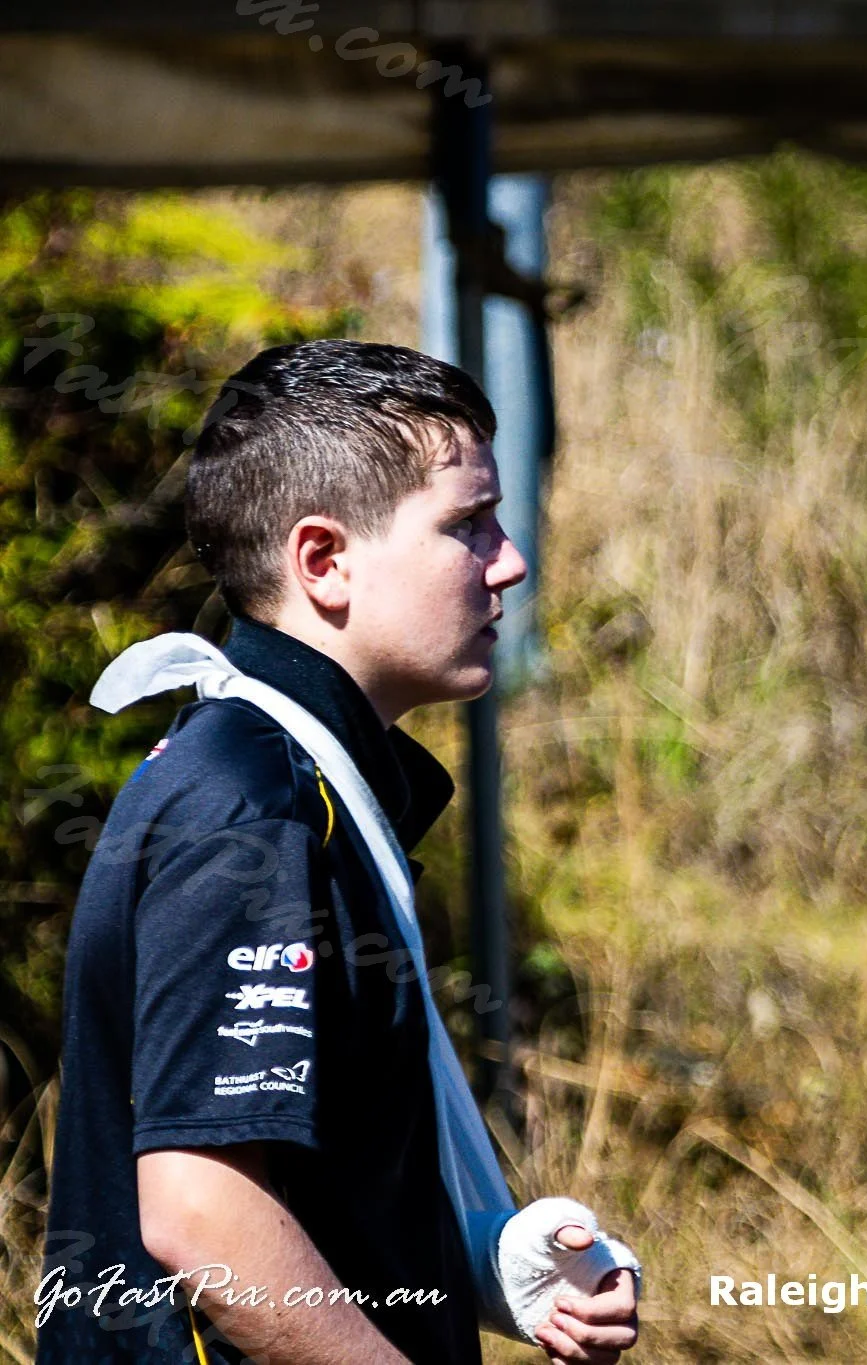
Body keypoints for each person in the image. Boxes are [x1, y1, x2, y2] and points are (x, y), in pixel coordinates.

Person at [38, 340, 640, 1364]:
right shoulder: (250, 810)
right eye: (466, 526)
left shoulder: (304, 785)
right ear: (323, 561)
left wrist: (490, 1262)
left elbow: (321, 1194)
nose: (511, 560)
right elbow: (203, 1214)